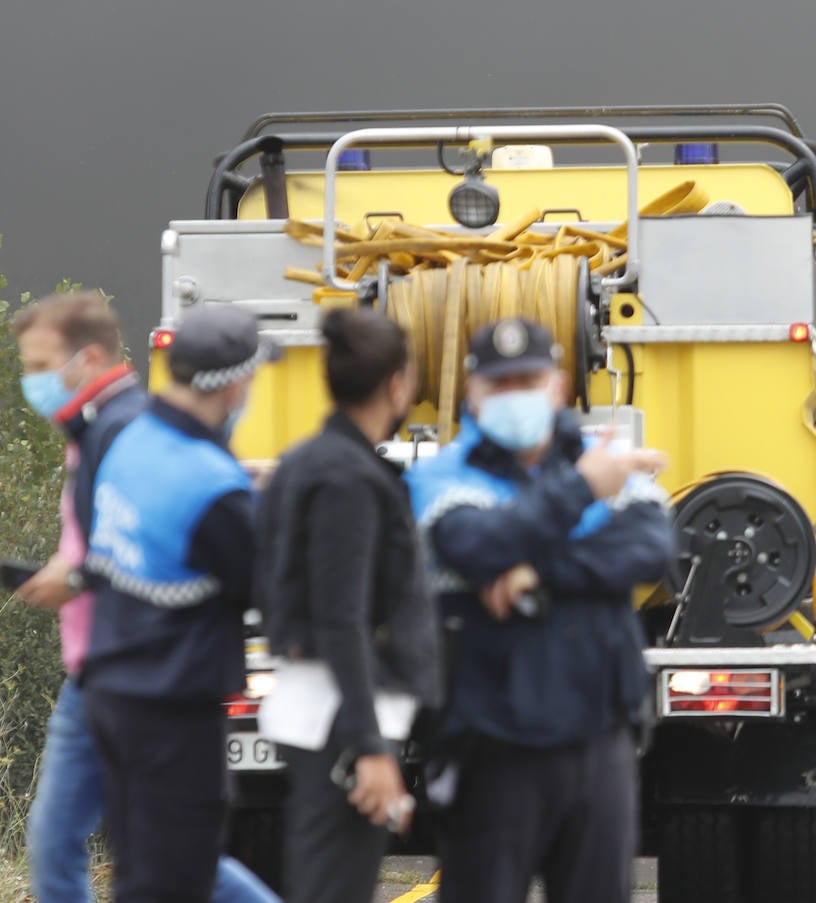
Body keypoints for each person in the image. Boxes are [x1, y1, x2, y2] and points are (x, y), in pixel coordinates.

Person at [11, 293, 276, 903]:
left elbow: (155, 546)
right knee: (155, 860)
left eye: (40, 363)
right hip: (114, 673)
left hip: (142, 676)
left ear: (91, 357)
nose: (33, 381)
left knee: (154, 861)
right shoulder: (106, 431)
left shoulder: (127, 431)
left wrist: (76, 578)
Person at [406, 318, 673, 903]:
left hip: (598, 741)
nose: (515, 395)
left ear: (557, 386)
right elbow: (476, 545)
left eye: (527, 379)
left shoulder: (604, 460)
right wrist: (581, 492)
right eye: (500, 385)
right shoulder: (440, 476)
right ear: (472, 393)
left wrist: (537, 571)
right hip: (492, 746)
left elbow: (652, 549)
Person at [255, 308, 442, 903]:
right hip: (340, 718)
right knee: (334, 886)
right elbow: (342, 617)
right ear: (397, 384)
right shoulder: (349, 479)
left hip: (322, 710)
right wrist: (369, 748)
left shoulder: (304, 463)